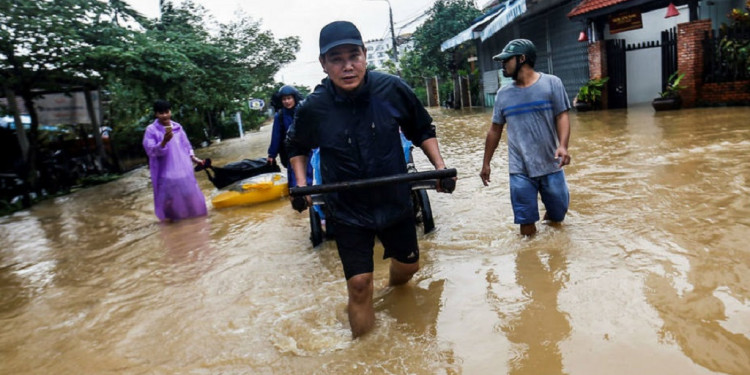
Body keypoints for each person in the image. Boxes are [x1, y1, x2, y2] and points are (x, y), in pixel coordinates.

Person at [285, 21, 454, 338]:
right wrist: (301, 185)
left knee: (408, 268)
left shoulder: (391, 89)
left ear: (365, 56)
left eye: (354, 56)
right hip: (348, 209)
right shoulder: (314, 108)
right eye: (337, 59)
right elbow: (297, 146)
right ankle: (366, 355)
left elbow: (422, 129)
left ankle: (392, 292)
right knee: (360, 285)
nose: (347, 66)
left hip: (394, 200)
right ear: (324, 64)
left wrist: (440, 168)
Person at [479, 39, 572, 236]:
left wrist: (563, 146)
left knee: (557, 216)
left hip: (550, 164)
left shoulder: (552, 84)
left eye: (507, 60)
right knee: (526, 225)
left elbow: (562, 115)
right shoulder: (503, 95)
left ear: (522, 59)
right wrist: (486, 163)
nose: (503, 64)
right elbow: (494, 130)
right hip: (519, 169)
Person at [143, 99, 207, 222]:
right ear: (156, 114)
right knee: (172, 203)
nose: (165, 115)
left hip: (184, 171)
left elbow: (186, 146)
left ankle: (196, 224)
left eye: (167, 112)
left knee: (192, 199)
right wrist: (164, 142)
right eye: (161, 113)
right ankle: (176, 225)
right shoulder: (151, 130)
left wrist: (195, 158)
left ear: (170, 111)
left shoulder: (177, 127)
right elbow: (150, 151)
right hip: (166, 174)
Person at [266, 85, 313, 188]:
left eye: (289, 98)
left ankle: (309, 200)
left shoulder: (303, 112)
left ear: (294, 98)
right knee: (294, 180)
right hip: (291, 152)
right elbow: (276, 137)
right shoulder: (280, 116)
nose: (287, 102)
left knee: (308, 176)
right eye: (284, 99)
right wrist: (271, 155)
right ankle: (298, 200)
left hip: (307, 150)